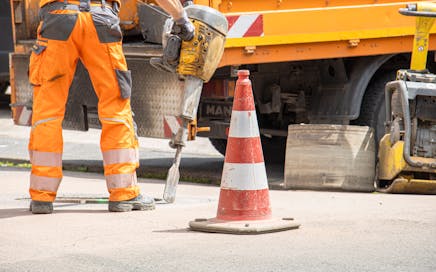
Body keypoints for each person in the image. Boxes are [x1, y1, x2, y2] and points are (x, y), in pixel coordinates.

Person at [28, 0, 194, 214]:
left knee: (47, 113)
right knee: (116, 108)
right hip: (101, 20)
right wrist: (180, 17)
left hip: (58, 19)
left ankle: (42, 196)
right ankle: (123, 193)